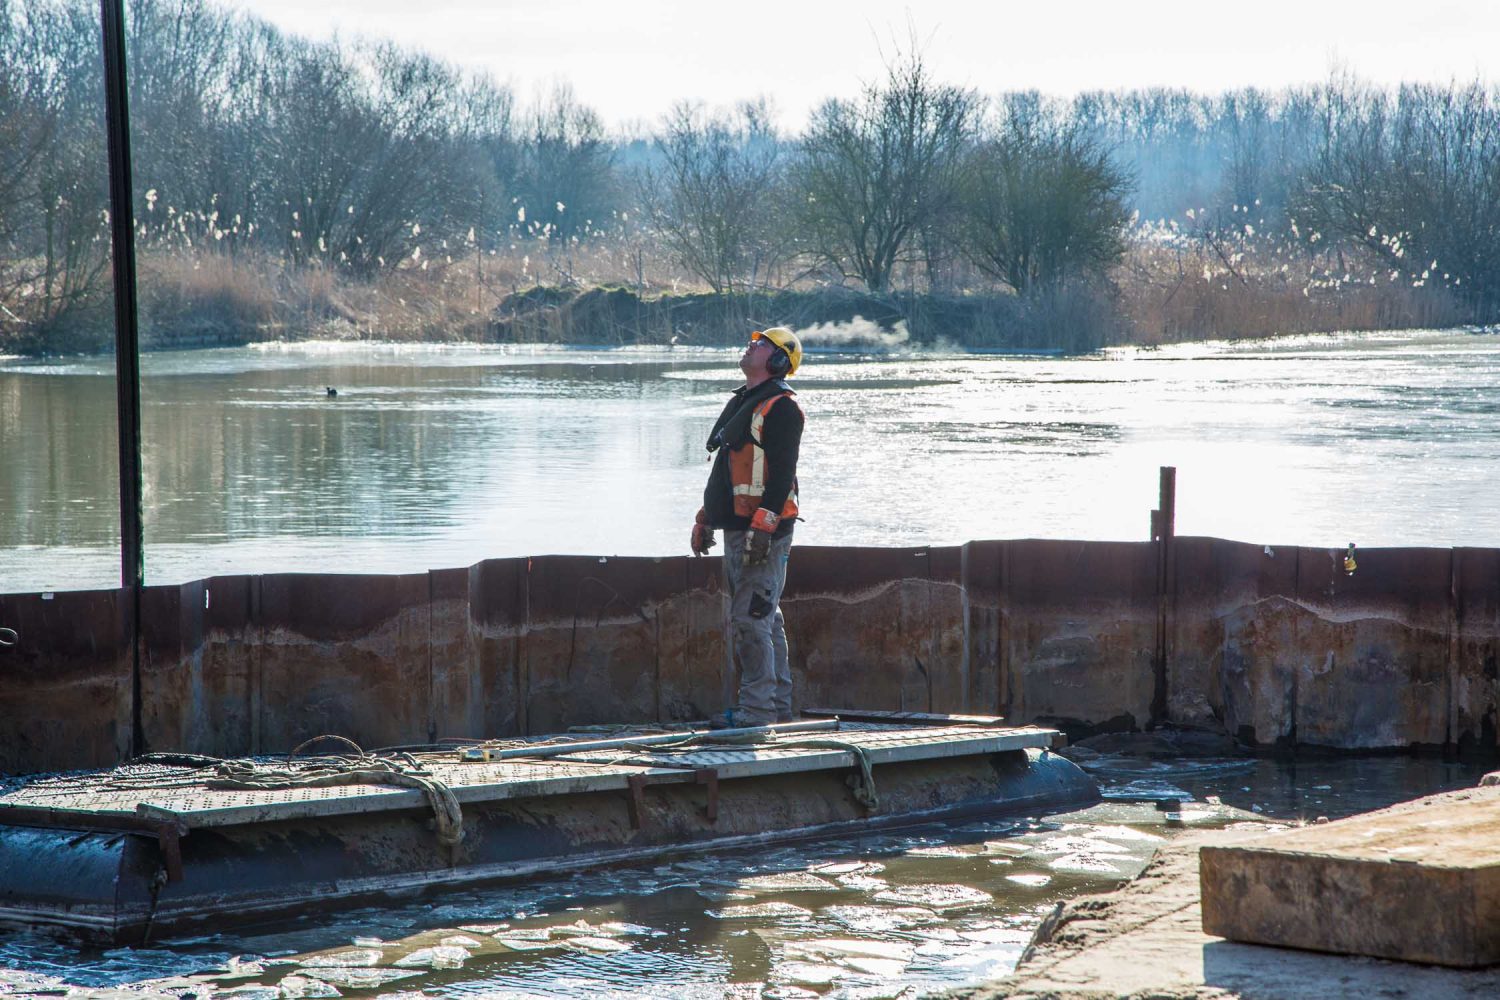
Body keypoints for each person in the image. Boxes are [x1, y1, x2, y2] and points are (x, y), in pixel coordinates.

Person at [690, 326, 805, 728]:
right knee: (764, 617)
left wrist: (765, 525)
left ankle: (758, 712)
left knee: (751, 618)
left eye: (761, 344)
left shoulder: (782, 408)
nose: (750, 345)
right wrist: (705, 518)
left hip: (763, 533)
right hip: (738, 529)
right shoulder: (745, 403)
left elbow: (782, 475)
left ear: (777, 361)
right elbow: (725, 470)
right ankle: (778, 708)